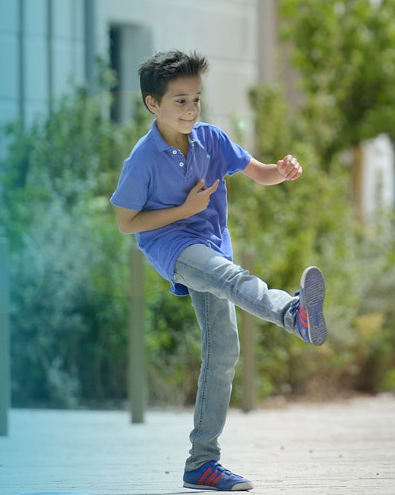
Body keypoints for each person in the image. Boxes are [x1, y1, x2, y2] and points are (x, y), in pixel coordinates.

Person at [111, 50, 327, 492]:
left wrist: (282, 172)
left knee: (224, 350)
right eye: (180, 101)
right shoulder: (143, 158)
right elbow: (126, 223)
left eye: (196, 99)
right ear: (153, 104)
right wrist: (184, 209)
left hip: (210, 244)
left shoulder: (211, 139)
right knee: (232, 278)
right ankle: (293, 313)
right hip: (172, 247)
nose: (191, 110)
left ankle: (201, 464)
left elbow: (259, 172)